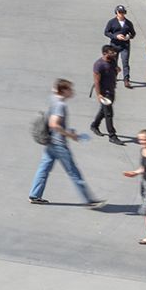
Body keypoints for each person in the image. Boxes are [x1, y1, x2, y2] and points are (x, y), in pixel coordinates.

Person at [28, 78, 102, 207]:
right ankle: (89, 200)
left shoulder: (53, 98)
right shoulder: (61, 105)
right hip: (58, 144)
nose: (72, 91)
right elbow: (54, 124)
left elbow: (53, 90)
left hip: (50, 141)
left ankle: (35, 195)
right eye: (69, 89)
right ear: (63, 91)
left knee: (44, 168)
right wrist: (71, 135)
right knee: (73, 172)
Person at [90, 44, 121, 143]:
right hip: (104, 92)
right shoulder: (99, 65)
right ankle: (112, 135)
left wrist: (117, 71)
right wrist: (99, 94)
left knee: (103, 111)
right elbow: (96, 81)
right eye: (111, 52)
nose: (114, 54)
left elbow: (115, 70)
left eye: (114, 52)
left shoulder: (113, 61)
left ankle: (94, 125)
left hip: (111, 89)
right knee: (109, 113)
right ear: (104, 53)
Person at [104, 5, 137, 87]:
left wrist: (128, 37)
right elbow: (106, 32)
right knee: (113, 62)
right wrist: (115, 36)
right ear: (116, 12)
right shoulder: (111, 22)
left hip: (125, 46)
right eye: (119, 12)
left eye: (123, 12)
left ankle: (126, 79)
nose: (121, 14)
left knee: (125, 62)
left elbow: (133, 34)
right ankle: (113, 77)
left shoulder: (128, 23)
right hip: (114, 45)